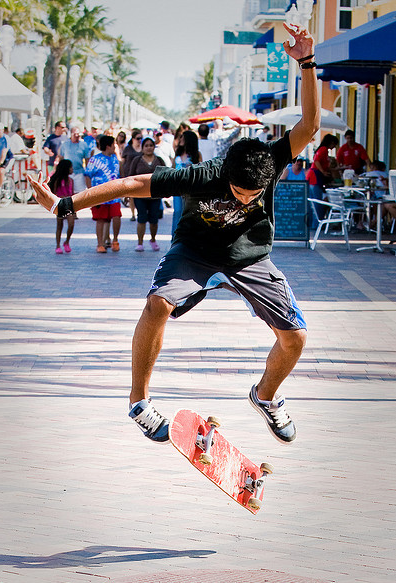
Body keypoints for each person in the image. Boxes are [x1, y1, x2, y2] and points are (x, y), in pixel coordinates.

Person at [29, 23, 319, 447]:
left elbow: (309, 125)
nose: (244, 200)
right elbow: (131, 184)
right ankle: (139, 402)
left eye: (252, 196)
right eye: (237, 193)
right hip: (195, 252)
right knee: (157, 304)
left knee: (295, 338)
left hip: (250, 256)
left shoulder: (270, 161)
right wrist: (64, 205)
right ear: (225, 176)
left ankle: (265, 396)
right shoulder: (200, 175)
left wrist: (307, 62)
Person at [84, 135, 122, 253]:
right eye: (113, 144)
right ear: (108, 146)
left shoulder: (115, 158)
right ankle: (100, 244)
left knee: (116, 216)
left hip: (114, 194)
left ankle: (115, 240)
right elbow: (88, 175)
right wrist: (90, 192)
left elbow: (119, 174)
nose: (115, 147)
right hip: (99, 195)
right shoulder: (94, 160)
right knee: (100, 219)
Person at [128, 137, 165, 252]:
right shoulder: (137, 160)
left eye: (151, 145)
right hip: (140, 196)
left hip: (155, 195)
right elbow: (131, 176)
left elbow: (165, 176)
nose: (149, 148)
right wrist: (129, 193)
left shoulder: (159, 160)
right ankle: (140, 243)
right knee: (141, 218)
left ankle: (153, 239)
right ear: (142, 148)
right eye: (146, 146)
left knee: (154, 220)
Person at [172, 130, 202, 236]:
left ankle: (187, 236)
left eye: (183, 138)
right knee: (177, 211)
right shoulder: (177, 153)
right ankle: (175, 237)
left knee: (190, 212)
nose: (180, 140)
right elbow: (172, 168)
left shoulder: (196, 155)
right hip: (177, 186)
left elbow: (201, 171)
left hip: (190, 187)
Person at [306, 134, 339, 218]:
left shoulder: (323, 150)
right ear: (331, 142)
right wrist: (323, 172)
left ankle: (314, 222)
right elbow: (316, 161)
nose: (334, 147)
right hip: (315, 177)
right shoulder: (324, 149)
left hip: (313, 177)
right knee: (317, 202)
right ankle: (318, 221)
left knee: (313, 202)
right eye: (334, 144)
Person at [48, 159, 75, 254]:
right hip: (60, 204)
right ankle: (58, 245)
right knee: (59, 225)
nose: (72, 169)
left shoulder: (71, 181)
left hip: (69, 204)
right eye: (70, 167)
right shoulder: (57, 180)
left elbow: (72, 193)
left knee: (71, 224)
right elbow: (54, 192)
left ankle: (67, 241)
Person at [58, 126, 90, 193]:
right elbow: (61, 158)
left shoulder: (84, 145)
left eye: (78, 134)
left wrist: (88, 172)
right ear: (71, 134)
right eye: (74, 134)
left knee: (80, 192)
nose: (76, 136)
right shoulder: (65, 144)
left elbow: (87, 159)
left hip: (79, 173)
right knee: (67, 193)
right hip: (67, 174)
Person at [120, 129, 143, 221]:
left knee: (140, 195)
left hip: (140, 174)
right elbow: (122, 162)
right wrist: (122, 174)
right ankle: (133, 214)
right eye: (138, 138)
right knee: (132, 195)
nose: (139, 140)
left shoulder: (143, 148)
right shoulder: (128, 149)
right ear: (133, 139)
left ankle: (140, 212)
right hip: (129, 173)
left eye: (141, 138)